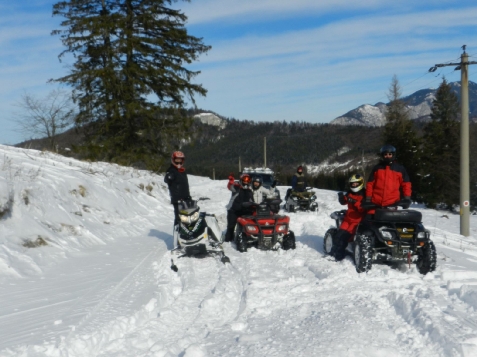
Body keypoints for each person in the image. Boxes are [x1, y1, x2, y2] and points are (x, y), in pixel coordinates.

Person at [330, 174, 366, 261]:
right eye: (352, 184)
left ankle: (340, 255)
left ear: (360, 183)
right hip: (348, 219)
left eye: (355, 184)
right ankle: (334, 253)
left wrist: (355, 202)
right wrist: (342, 198)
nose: (354, 185)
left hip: (357, 221)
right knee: (339, 236)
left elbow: (364, 208)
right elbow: (345, 200)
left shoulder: (365, 194)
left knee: (346, 237)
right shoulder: (350, 192)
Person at [364, 145, 412, 209]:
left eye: (390, 154)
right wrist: (368, 198)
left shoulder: (399, 168)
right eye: (385, 154)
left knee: (390, 218)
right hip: (376, 202)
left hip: (392, 202)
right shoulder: (377, 168)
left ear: (393, 155)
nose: (388, 156)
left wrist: (407, 198)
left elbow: (406, 184)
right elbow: (370, 184)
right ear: (383, 156)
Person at [164, 151, 191, 227]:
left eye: (180, 160)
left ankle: (187, 233)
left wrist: (188, 195)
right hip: (177, 199)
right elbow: (166, 179)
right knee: (179, 218)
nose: (179, 162)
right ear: (173, 160)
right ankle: (177, 234)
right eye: (177, 160)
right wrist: (169, 177)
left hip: (186, 197)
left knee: (188, 216)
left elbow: (184, 184)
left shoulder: (182, 170)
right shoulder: (171, 170)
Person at [224, 173, 254, 242]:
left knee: (248, 226)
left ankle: (246, 239)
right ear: (241, 180)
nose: (246, 182)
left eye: (248, 180)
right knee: (231, 226)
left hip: (244, 211)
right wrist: (231, 182)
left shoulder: (249, 191)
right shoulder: (236, 187)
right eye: (244, 180)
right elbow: (230, 187)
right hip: (233, 210)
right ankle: (228, 240)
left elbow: (251, 201)